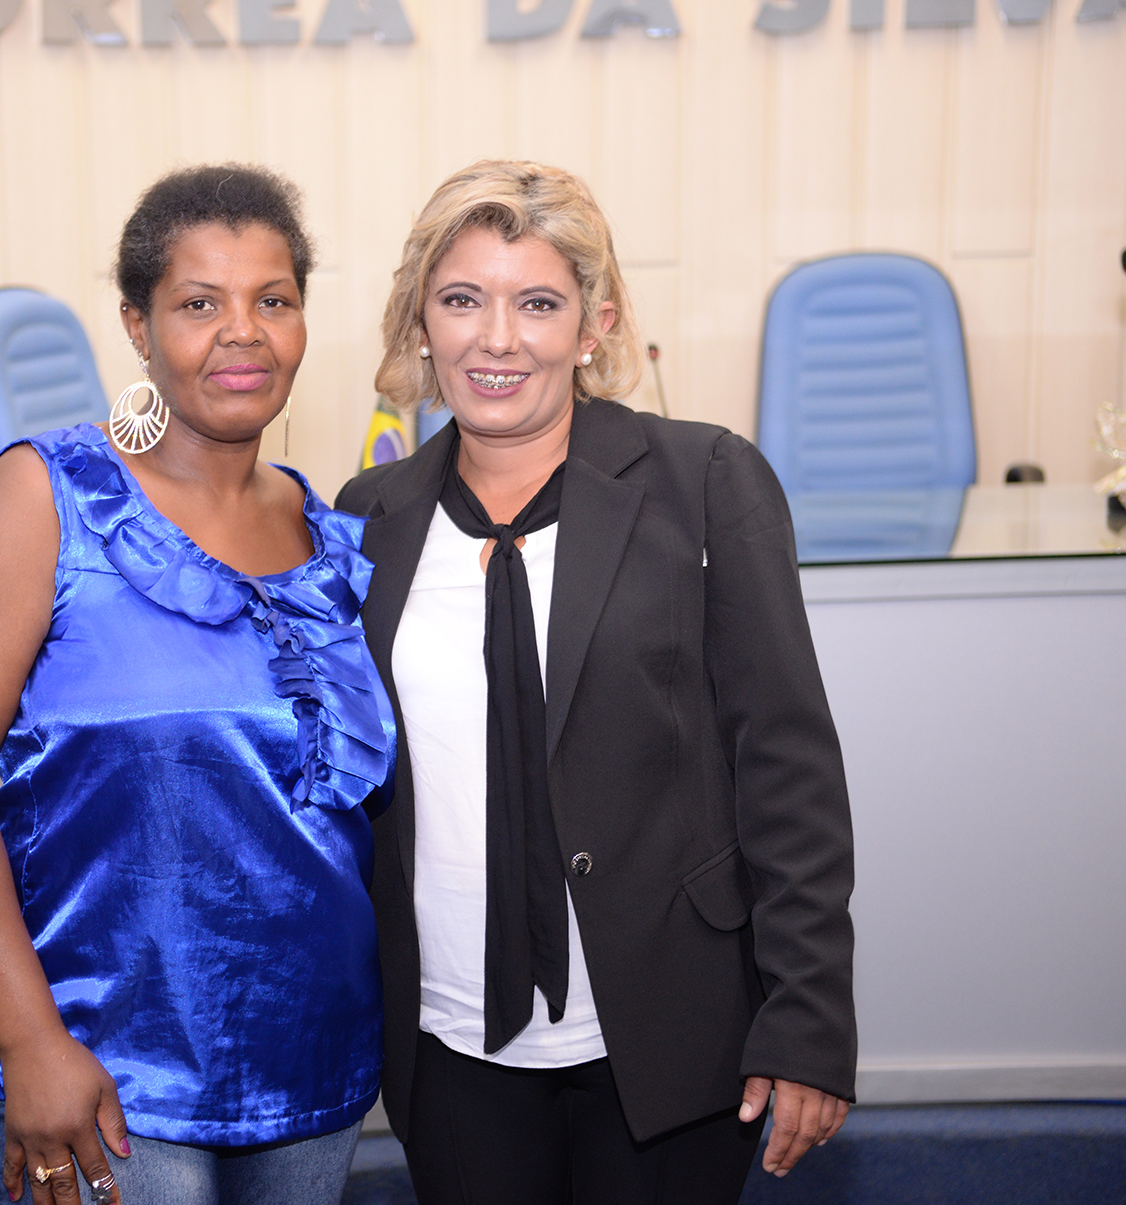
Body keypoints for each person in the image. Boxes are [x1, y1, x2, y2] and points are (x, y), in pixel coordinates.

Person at [334, 160, 857, 1204]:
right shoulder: (367, 516)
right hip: (449, 1040)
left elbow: (786, 765)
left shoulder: (703, 481)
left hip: (668, 1034)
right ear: (420, 322)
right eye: (461, 299)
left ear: (594, 324)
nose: (496, 339)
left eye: (537, 303)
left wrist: (807, 1013)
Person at [0, 164, 395, 1205]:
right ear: (137, 324)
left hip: (313, 1059)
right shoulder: (48, 497)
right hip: (103, 1064)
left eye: (273, 300)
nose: (242, 332)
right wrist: (29, 1042)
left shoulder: (327, 533)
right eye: (200, 303)